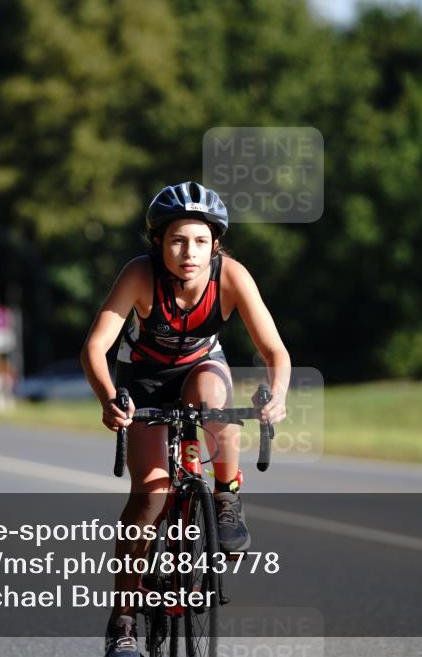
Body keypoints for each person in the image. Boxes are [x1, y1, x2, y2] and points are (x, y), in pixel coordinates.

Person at [81, 181, 290, 656]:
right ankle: (124, 621)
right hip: (143, 379)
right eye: (177, 240)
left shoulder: (232, 276)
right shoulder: (139, 275)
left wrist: (276, 395)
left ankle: (225, 495)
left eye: (199, 241)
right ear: (159, 243)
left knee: (213, 398)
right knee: (150, 497)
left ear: (215, 244)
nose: (188, 253)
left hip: (201, 367)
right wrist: (110, 398)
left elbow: (274, 349)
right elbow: (95, 347)